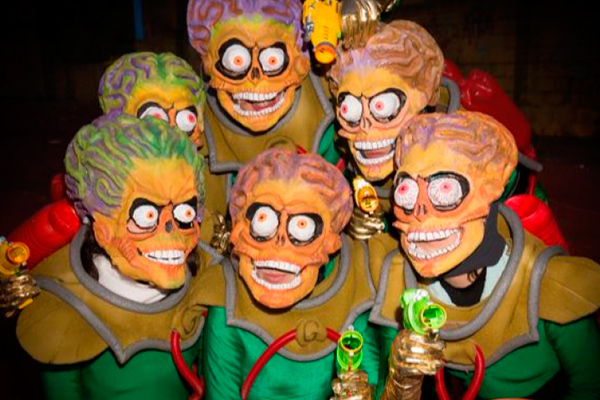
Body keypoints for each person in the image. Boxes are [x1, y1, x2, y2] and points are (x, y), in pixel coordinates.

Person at [369, 111, 600, 399]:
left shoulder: (546, 283)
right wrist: (402, 379)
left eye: (445, 189)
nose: (419, 209)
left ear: (487, 195)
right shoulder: (398, 280)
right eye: (406, 191)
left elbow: (591, 384)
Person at [16, 114, 207, 400]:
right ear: (101, 224)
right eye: (146, 214)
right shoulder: (62, 306)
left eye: (185, 211)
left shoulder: (206, 279)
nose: (171, 230)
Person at [196, 148, 380, 399]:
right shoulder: (227, 295)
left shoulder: (353, 291)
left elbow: (369, 385)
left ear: (331, 241)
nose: (279, 243)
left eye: (302, 226)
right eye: (263, 220)